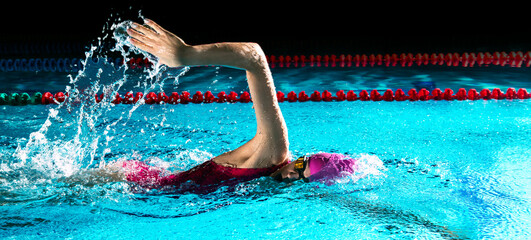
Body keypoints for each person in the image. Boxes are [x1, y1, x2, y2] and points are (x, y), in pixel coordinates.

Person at [101, 19, 359, 193]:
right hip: (136, 183)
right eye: (302, 167)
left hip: (153, 186)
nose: (293, 175)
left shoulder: (263, 186)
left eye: (304, 179)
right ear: (301, 159)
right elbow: (255, 56)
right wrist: (186, 54)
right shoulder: (274, 152)